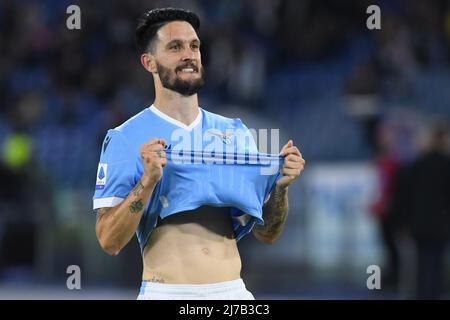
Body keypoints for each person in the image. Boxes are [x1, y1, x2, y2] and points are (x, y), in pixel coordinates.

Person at [93, 7, 305, 300]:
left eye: (194, 46)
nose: (189, 55)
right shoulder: (125, 138)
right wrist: (147, 182)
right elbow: (109, 241)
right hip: (167, 293)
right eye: (175, 47)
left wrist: (281, 189)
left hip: (233, 294)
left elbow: (267, 234)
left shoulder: (235, 132)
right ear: (149, 62)